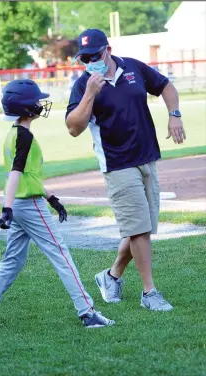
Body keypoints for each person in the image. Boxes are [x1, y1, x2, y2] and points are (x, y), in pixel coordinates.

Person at [0, 79, 115, 329]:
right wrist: (6, 208)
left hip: (23, 205)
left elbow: (27, 175)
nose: (39, 104)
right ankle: (88, 312)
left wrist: (51, 198)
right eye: (34, 101)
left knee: (12, 260)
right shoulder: (23, 136)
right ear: (25, 108)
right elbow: (15, 173)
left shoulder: (14, 134)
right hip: (28, 207)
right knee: (61, 255)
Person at [65, 29, 186, 311]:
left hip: (147, 157)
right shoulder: (84, 85)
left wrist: (174, 114)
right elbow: (73, 127)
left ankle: (110, 277)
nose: (90, 62)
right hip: (116, 163)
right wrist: (90, 95)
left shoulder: (132, 66)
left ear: (107, 49)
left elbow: (165, 86)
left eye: (94, 56)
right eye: (84, 59)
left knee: (140, 228)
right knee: (139, 231)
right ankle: (149, 293)